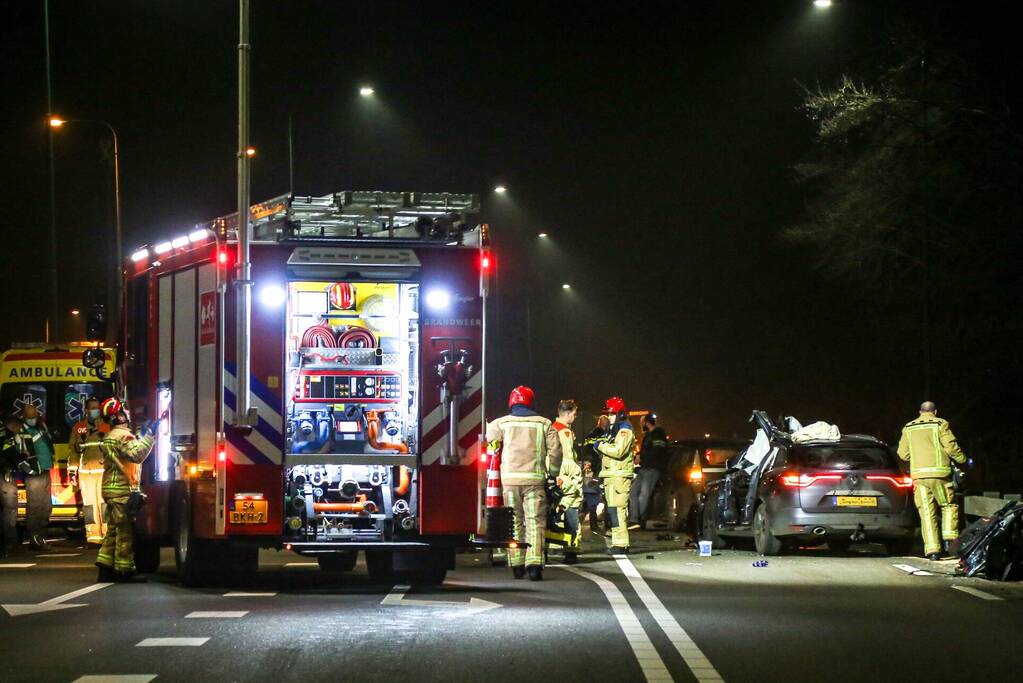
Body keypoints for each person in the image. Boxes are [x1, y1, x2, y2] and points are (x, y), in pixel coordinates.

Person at [486, 386, 562, 581]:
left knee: (515, 522)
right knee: (535, 522)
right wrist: (552, 475)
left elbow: (490, 445)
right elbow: (555, 453)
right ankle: (534, 565)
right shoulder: (544, 424)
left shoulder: (500, 424)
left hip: (509, 482)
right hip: (535, 483)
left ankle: (517, 564)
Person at [897, 401, 968, 561]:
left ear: (920, 412)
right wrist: (962, 459)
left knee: (927, 513)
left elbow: (902, 454)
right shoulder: (940, 424)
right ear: (935, 411)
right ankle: (950, 541)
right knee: (949, 505)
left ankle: (932, 551)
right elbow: (951, 447)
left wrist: (916, 458)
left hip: (919, 478)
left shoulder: (908, 428)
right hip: (940, 476)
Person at [95, 397, 154, 582]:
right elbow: (136, 455)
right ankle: (125, 570)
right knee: (125, 532)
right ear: (119, 416)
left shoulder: (111, 436)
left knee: (113, 530)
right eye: (125, 411)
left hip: (110, 490)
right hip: (121, 490)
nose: (128, 414)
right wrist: (150, 436)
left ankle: (104, 568)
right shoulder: (123, 436)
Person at [595, 396, 636, 554]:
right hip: (612, 475)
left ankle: (621, 544)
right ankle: (618, 542)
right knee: (613, 510)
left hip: (618, 476)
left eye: (612, 414)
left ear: (620, 414)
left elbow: (618, 451)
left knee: (618, 509)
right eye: (608, 414)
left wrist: (600, 446)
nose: (610, 417)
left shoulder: (624, 430)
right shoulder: (614, 430)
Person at [69, 398, 111, 544]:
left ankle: (107, 535)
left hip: (103, 471)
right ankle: (93, 537)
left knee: (104, 504)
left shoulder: (106, 427)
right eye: (92, 408)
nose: (95, 410)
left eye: (97, 408)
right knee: (89, 506)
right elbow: (73, 452)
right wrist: (72, 472)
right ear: (86, 411)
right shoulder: (79, 428)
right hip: (85, 473)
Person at [18, 404, 55, 551]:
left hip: (45, 470)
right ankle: (35, 539)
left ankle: (41, 537)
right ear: (24, 416)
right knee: (35, 508)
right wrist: (30, 472)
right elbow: (19, 455)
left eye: (35, 416)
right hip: (34, 474)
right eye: (30, 417)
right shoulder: (21, 431)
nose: (33, 419)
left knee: (46, 507)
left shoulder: (41, 427)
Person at [552, 399, 582, 564]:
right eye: (574, 414)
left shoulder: (551, 428)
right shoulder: (565, 432)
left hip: (556, 476)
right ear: (569, 413)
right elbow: (568, 459)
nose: (575, 417)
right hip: (566, 478)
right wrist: (576, 478)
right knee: (571, 511)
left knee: (556, 511)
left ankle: (555, 546)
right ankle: (571, 550)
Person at [628, 414, 669, 530]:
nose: (641, 426)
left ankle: (640, 520)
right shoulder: (648, 436)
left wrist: (643, 457)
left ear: (647, 423)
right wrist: (639, 455)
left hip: (653, 469)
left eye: (642, 423)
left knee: (644, 494)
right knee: (633, 492)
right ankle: (633, 519)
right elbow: (644, 451)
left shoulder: (658, 435)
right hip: (644, 468)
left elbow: (657, 452)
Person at [0, 415, 21, 558]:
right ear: (13, 427)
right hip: (4, 475)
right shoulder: (7, 437)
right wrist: (23, 457)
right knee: (8, 509)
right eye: (18, 429)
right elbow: (11, 455)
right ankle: (8, 543)